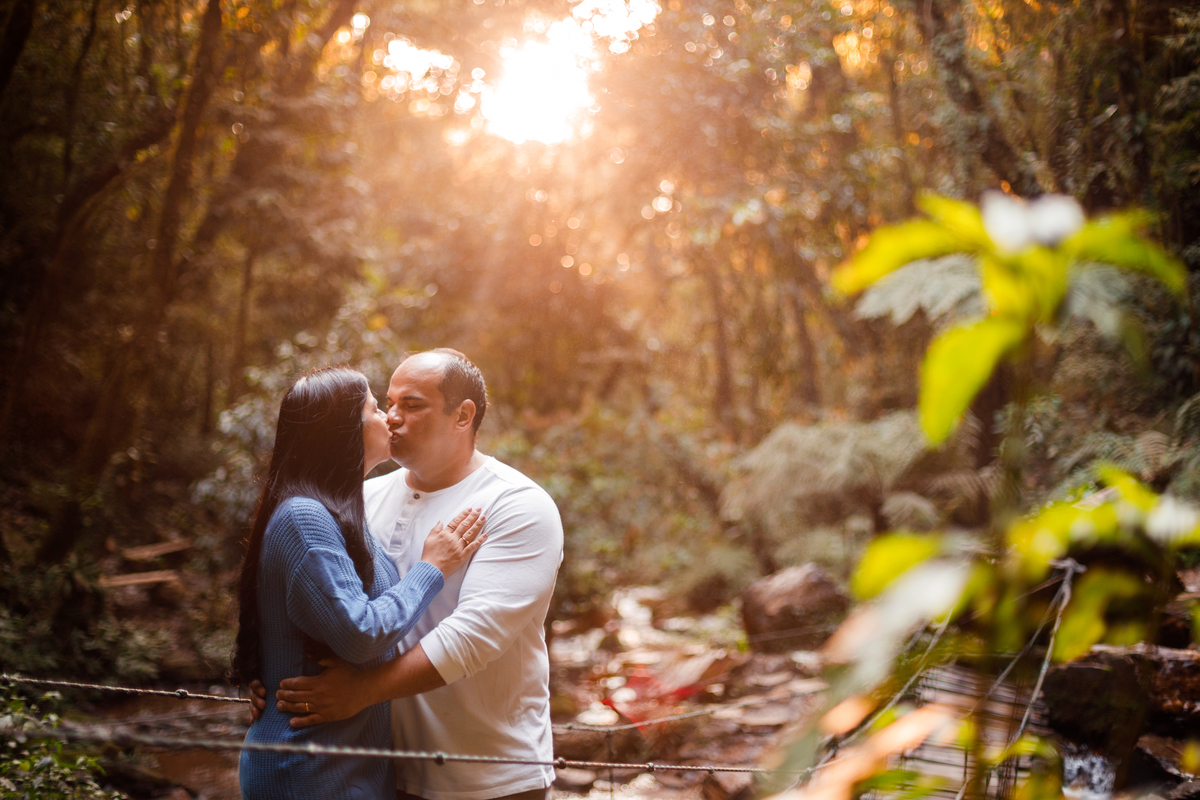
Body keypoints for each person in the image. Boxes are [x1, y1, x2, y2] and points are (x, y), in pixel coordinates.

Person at [254, 349, 565, 800]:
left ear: (463, 416)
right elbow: (316, 602)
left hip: (487, 776)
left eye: (412, 405)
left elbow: (474, 634)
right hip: (376, 772)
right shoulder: (358, 497)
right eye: (388, 403)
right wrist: (269, 672)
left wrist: (361, 691)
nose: (393, 417)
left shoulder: (517, 505)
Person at [232, 366, 487, 800]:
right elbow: (360, 633)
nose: (388, 419)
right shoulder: (305, 517)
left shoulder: (341, 515)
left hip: (344, 765)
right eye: (375, 408)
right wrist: (432, 568)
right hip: (307, 768)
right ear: (342, 431)